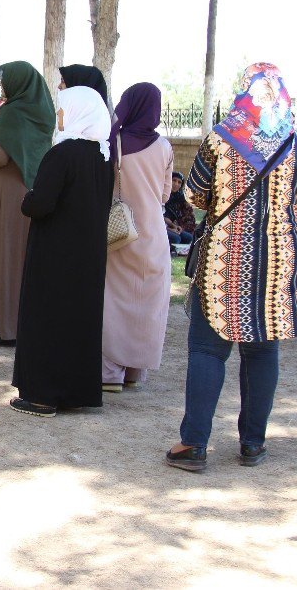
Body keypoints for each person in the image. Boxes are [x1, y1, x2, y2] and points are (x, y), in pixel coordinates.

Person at [166, 63, 297, 472]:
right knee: (263, 350)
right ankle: (253, 442)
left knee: (207, 349)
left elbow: (195, 196)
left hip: (225, 258)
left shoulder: (221, 139)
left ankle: (194, 445)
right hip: (279, 261)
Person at [10, 87, 114, 417]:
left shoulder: (63, 154)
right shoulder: (102, 157)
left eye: (63, 110)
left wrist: (27, 199)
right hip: (88, 253)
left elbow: (40, 204)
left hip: (56, 253)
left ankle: (42, 396)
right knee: (78, 319)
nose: (59, 117)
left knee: (48, 318)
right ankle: (72, 392)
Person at [101, 83, 174, 392]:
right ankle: (134, 372)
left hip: (119, 232)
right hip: (153, 233)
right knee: (146, 303)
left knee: (114, 302)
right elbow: (166, 193)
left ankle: (109, 373)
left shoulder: (114, 142)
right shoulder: (166, 147)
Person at [0, 61, 55, 347]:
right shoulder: (42, 113)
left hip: (6, 194)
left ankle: (7, 327)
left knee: (6, 257)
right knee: (23, 258)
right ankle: (26, 325)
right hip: (28, 191)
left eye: (4, 81)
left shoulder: (10, 113)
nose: (2, 87)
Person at [164, 172, 196, 246]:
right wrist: (170, 228)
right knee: (176, 239)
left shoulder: (180, 198)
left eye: (179, 182)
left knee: (188, 238)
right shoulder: (162, 195)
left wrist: (179, 227)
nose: (176, 184)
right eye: (174, 180)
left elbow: (188, 217)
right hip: (159, 225)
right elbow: (159, 216)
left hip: (171, 226)